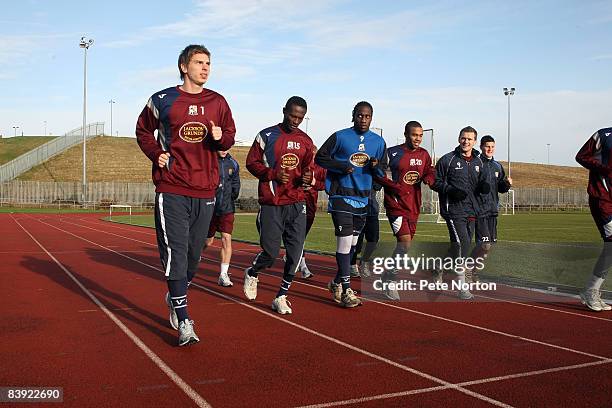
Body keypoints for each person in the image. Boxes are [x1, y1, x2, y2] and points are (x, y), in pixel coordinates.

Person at [136, 44, 236, 346]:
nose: (205, 68)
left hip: (206, 190)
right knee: (176, 255)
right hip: (172, 189)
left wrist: (222, 139)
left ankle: (175, 295)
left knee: (194, 256)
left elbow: (230, 135)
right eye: (199, 62)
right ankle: (184, 319)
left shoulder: (218, 102)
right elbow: (142, 131)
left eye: (209, 63)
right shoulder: (163, 100)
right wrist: (157, 153)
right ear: (184, 66)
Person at [243, 96, 315, 314]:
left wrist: (306, 178)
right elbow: (251, 163)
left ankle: (281, 295)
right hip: (272, 203)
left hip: (296, 202)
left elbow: (308, 169)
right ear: (284, 111)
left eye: (300, 117)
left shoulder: (306, 141)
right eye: (292, 115)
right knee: (271, 252)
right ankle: (253, 272)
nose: (295, 120)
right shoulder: (266, 135)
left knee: (295, 253)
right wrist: (272, 174)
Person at [315, 101, 387, 308]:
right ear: (353, 115)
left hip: (364, 198)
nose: (363, 119)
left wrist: (375, 168)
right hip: (340, 197)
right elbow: (320, 157)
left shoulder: (378, 142)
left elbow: (383, 172)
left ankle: (336, 281)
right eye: (359, 115)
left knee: (353, 245)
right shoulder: (340, 136)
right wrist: (339, 166)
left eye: (367, 116)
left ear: (372, 118)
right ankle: (347, 290)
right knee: (345, 244)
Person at [375, 121, 435, 300]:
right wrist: (394, 187)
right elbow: (378, 173)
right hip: (395, 204)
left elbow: (429, 170)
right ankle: (391, 280)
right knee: (405, 243)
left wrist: (430, 178)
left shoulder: (424, 154)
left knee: (404, 248)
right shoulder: (393, 153)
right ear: (406, 134)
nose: (417, 138)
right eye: (414, 135)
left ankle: (387, 274)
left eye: (420, 135)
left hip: (413, 206)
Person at [432, 126, 489, 300]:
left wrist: (484, 187)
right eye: (463, 138)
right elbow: (435, 181)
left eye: (470, 139)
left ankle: (439, 267)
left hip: (472, 210)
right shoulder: (447, 160)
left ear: (474, 142)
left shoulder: (479, 162)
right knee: (462, 244)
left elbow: (481, 183)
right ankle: (461, 286)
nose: (466, 141)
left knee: (462, 245)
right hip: (453, 210)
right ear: (458, 139)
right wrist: (450, 190)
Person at [576, 128, 612, 312]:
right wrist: (604, 167)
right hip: (603, 198)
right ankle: (591, 290)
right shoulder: (604, 136)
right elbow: (581, 156)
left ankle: (592, 290)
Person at [474, 135, 512, 281]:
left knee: (487, 246)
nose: (490, 149)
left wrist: (506, 184)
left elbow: (501, 188)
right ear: (481, 147)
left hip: (493, 210)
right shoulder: (476, 164)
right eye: (487, 146)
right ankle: (469, 270)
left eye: (492, 147)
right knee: (484, 245)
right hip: (479, 210)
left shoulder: (497, 166)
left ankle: (470, 269)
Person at [204, 149, 241, 287]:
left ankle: (223, 274)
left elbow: (236, 183)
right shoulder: (208, 161)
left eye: (227, 147)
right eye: (221, 147)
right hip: (210, 207)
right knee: (207, 242)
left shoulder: (234, 163)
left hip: (227, 208)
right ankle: (193, 257)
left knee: (227, 239)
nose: (224, 150)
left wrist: (233, 195)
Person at [297, 150, 327, 278]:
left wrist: (314, 182)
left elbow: (327, 185)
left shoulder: (320, 168)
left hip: (310, 206)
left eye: (312, 153)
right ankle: (302, 264)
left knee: (302, 236)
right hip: (296, 203)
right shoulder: (297, 166)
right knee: (298, 235)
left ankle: (295, 257)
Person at [349, 185, 381, 279]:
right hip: (358, 210)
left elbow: (378, 186)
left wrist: (375, 172)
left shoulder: (375, 172)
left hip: (372, 210)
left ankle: (364, 261)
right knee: (357, 242)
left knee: (374, 240)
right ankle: (352, 264)